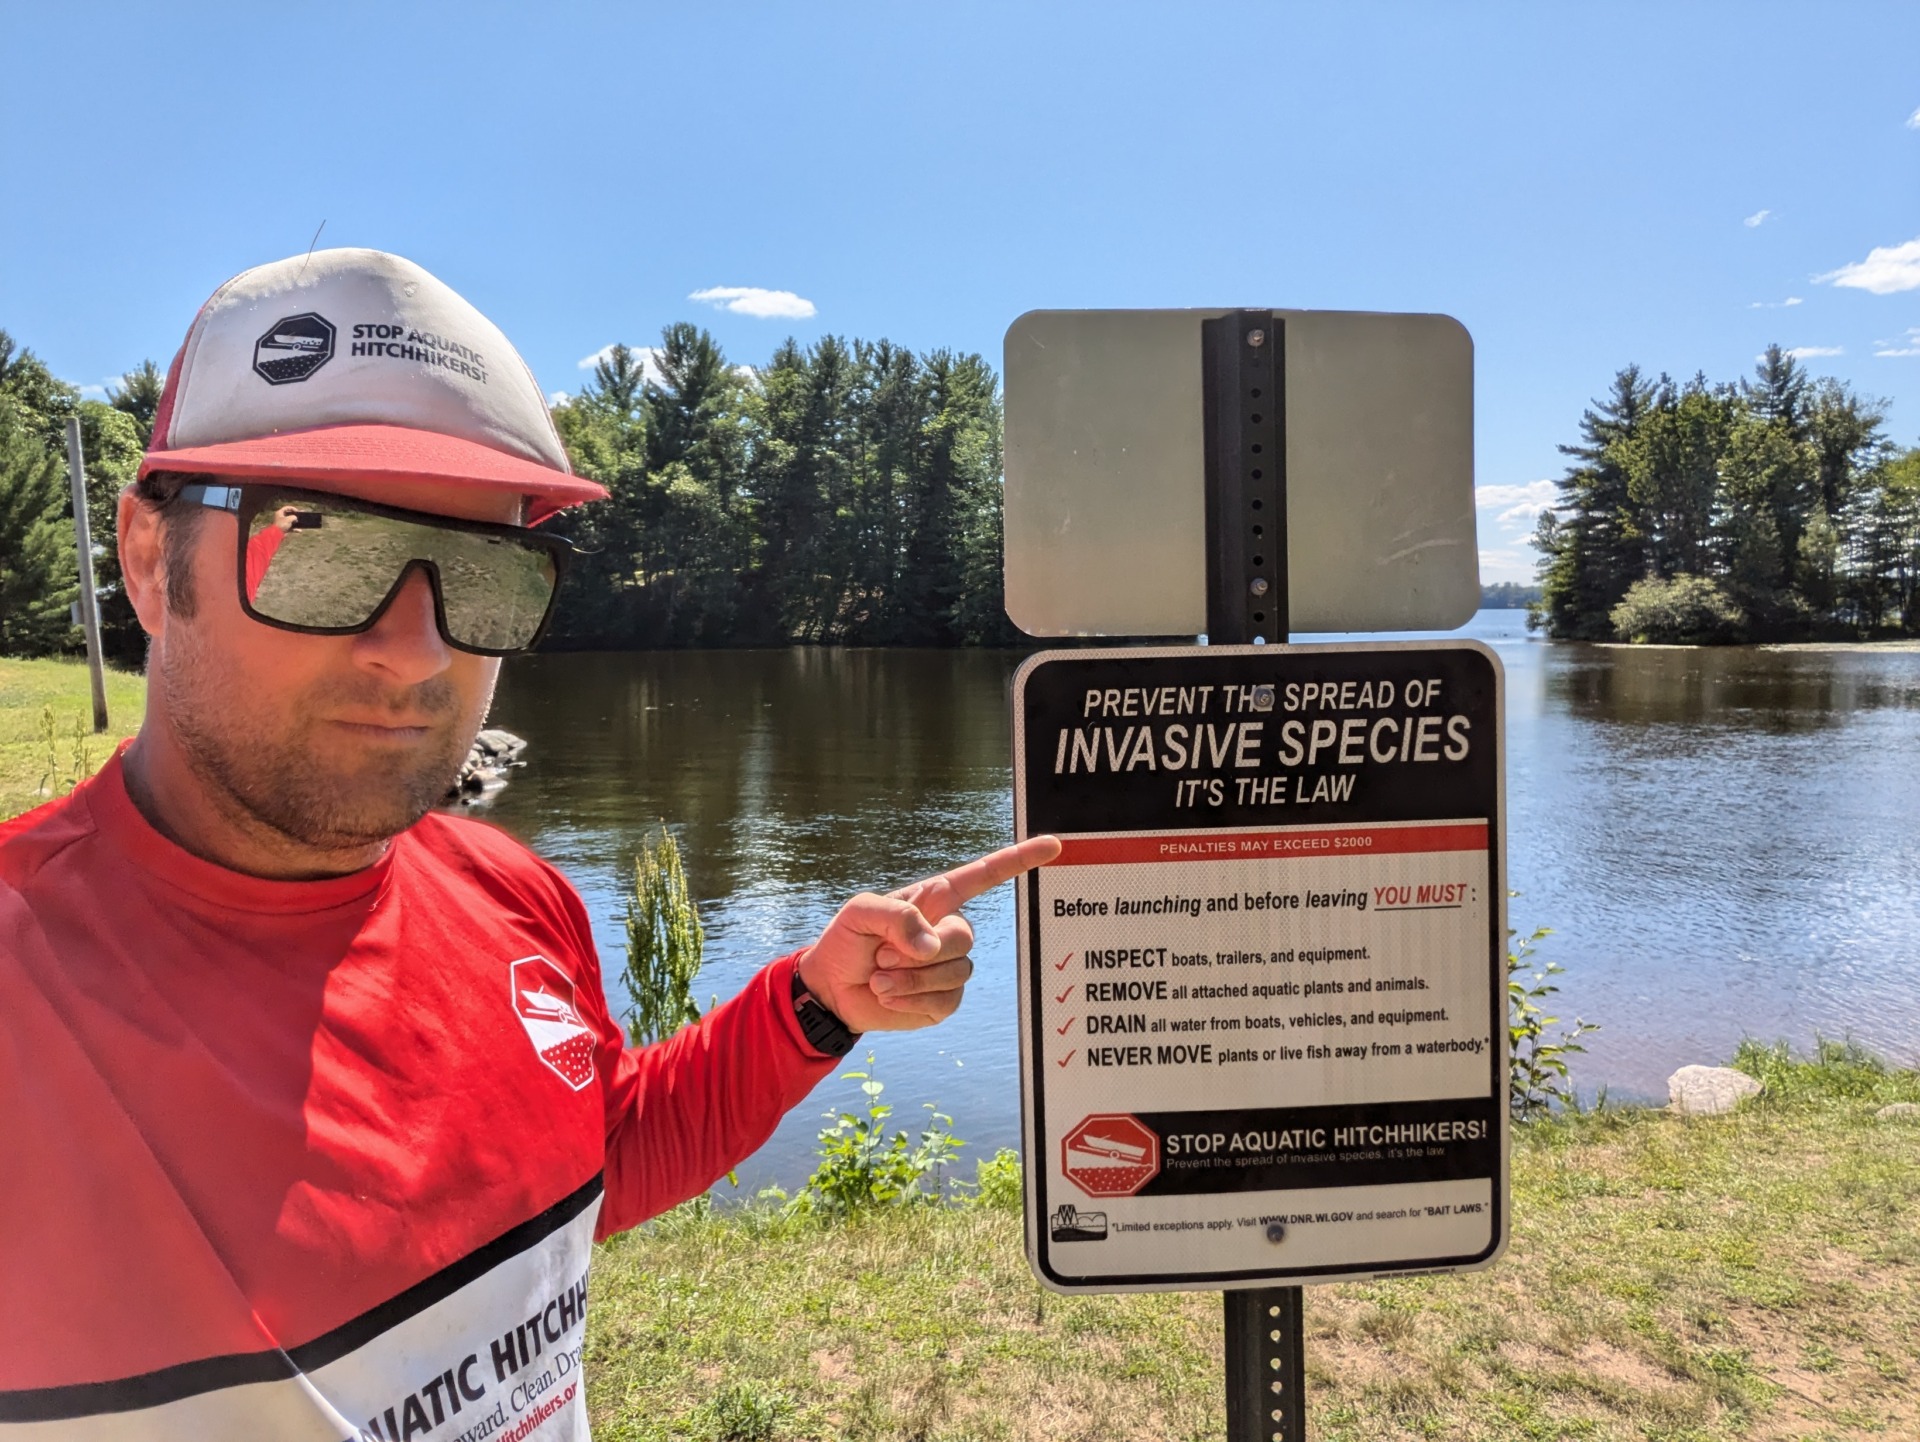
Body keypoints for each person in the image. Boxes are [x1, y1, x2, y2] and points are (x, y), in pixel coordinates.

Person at [0, 248, 1057, 1442]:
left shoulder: (511, 893)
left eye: (484, 577)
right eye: (320, 550)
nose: (417, 651)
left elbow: (587, 1159)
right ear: (149, 557)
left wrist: (814, 1005)